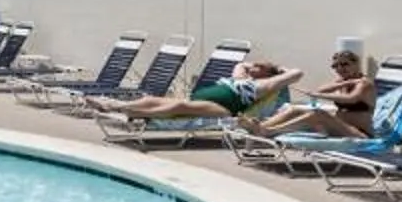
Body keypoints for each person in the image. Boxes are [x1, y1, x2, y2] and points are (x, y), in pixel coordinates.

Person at [109, 58, 296, 122]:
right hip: (204, 98)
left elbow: (297, 73)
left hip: (225, 108)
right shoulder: (241, 76)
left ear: (266, 73)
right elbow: (241, 64)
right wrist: (255, 67)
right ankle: (115, 105)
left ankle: (131, 111)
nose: (252, 66)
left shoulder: (264, 85)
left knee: (180, 105)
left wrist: (278, 70)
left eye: (258, 66)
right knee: (154, 99)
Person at [249, 47, 380, 138]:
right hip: (338, 128)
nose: (340, 68)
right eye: (335, 66)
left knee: (318, 114)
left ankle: (269, 131)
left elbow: (351, 98)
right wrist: (344, 83)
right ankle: (258, 127)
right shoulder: (344, 81)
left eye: (344, 64)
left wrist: (320, 95)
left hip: (358, 133)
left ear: (356, 63)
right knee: (295, 109)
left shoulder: (365, 83)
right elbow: (320, 90)